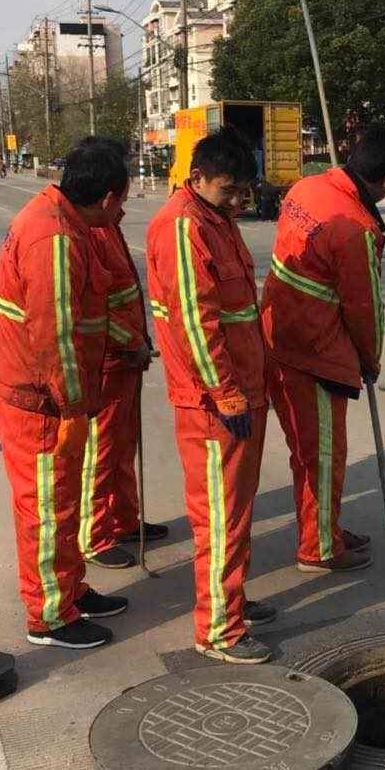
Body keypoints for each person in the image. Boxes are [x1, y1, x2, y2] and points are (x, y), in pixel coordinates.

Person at [0, 141, 129, 649]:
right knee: (47, 511)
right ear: (109, 196)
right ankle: (50, 615)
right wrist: (76, 406)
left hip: (50, 398)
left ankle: (70, 588)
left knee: (63, 504)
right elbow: (55, 337)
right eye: (122, 203)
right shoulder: (53, 238)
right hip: (43, 405)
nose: (121, 213)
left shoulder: (63, 218)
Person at [146, 127, 274, 664]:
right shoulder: (183, 226)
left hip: (243, 388)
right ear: (196, 178)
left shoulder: (216, 219)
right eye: (229, 191)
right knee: (220, 515)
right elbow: (196, 324)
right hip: (215, 402)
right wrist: (225, 395)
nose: (240, 202)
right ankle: (220, 628)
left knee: (236, 510)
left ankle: (232, 599)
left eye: (245, 191)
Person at [261, 123, 385, 573]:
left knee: (309, 452)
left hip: (277, 335)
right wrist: (368, 360)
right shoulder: (357, 229)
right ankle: (319, 547)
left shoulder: (307, 187)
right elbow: (363, 308)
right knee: (323, 456)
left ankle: (326, 525)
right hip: (316, 354)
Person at [78, 139, 168, 570]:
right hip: (109, 360)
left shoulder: (106, 224)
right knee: (103, 450)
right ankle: (94, 534)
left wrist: (139, 341)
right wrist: (129, 342)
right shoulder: (89, 231)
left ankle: (124, 519)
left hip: (127, 356)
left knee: (123, 445)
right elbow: (92, 308)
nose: (124, 207)